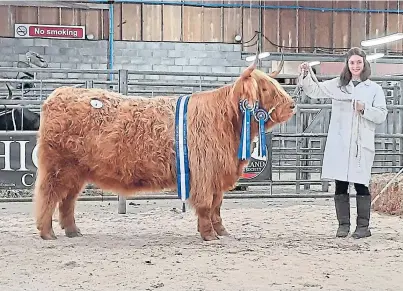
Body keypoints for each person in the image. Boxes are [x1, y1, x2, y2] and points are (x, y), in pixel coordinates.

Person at [298, 47, 388, 239]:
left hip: (361, 143)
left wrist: (365, 109)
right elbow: (315, 90)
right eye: (352, 62)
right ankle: (343, 225)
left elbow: (381, 115)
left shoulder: (374, 89)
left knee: (361, 184)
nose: (355, 66)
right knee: (341, 183)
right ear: (347, 65)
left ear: (364, 64)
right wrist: (307, 74)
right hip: (340, 142)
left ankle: (363, 226)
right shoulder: (338, 85)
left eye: (359, 62)